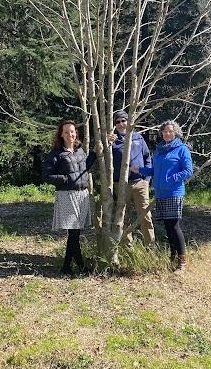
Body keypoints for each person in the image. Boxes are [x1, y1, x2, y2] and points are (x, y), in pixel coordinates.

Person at [131, 120, 193, 270]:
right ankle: (172, 258)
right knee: (167, 227)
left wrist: (170, 179)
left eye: (170, 131)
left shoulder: (182, 149)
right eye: (164, 131)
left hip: (174, 192)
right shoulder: (159, 150)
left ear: (176, 133)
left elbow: (188, 171)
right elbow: (154, 171)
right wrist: (140, 170)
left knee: (174, 226)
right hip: (160, 193)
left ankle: (182, 261)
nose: (167, 133)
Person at [42, 120, 96, 276]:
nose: (70, 134)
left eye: (72, 131)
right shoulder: (56, 154)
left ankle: (71, 266)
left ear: (76, 133)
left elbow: (87, 165)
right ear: (61, 134)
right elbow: (46, 175)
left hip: (82, 194)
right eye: (66, 132)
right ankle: (75, 266)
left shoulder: (80, 151)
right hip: (66, 195)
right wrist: (65, 179)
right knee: (73, 233)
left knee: (75, 232)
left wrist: (97, 150)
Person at [107, 110, 155, 247]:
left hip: (140, 183)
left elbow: (147, 158)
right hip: (121, 185)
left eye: (124, 120)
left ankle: (150, 247)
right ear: (115, 124)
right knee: (123, 217)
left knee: (145, 216)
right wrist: (107, 143)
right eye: (118, 122)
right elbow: (104, 159)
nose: (121, 124)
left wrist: (146, 179)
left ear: (128, 122)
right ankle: (128, 247)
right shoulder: (113, 141)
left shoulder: (138, 137)